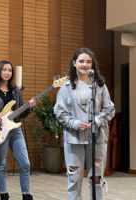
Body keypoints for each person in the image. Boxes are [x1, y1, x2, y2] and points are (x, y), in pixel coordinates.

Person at [54, 48, 115, 200]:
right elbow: (60, 112)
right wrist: (75, 123)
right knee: (74, 179)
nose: (85, 65)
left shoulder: (100, 86)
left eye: (88, 62)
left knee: (96, 178)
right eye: (81, 61)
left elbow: (110, 109)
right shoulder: (66, 87)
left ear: (92, 65)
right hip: (74, 139)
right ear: (74, 63)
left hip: (97, 139)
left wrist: (96, 120)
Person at [0, 60, 36, 200]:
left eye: (10, 70)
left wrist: (29, 107)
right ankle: (3, 194)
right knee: (2, 165)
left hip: (15, 130)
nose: (7, 73)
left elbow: (21, 114)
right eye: (4, 70)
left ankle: (26, 195)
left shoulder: (16, 91)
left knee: (25, 163)